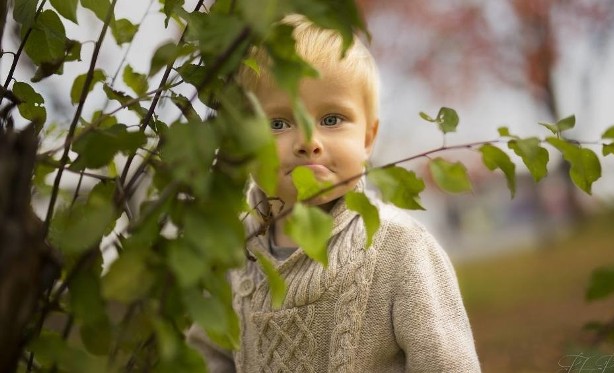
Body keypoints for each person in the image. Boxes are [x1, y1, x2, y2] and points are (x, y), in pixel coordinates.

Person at [187, 14, 481, 373]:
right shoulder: (232, 253)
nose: (309, 142)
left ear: (368, 138)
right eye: (278, 123)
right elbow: (206, 356)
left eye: (331, 119)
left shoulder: (400, 249)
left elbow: (446, 365)